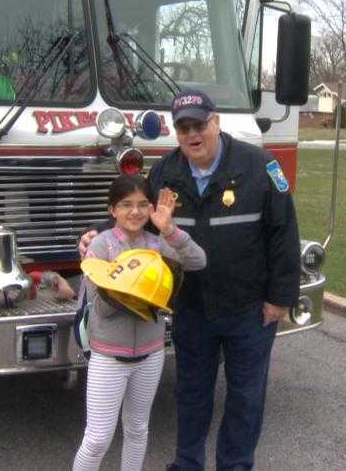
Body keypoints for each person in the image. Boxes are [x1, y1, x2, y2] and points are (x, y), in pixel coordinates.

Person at [78, 90, 301, 470]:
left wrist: (280, 299)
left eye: (200, 125)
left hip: (248, 308)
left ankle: (235, 466)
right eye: (184, 128)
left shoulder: (259, 167)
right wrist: (94, 233)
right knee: (191, 394)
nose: (192, 135)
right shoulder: (167, 172)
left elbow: (284, 235)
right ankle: (187, 464)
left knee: (246, 397)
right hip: (192, 308)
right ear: (176, 132)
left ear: (216, 123)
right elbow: (137, 213)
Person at [73, 174, 206, 471]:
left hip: (151, 353)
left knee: (137, 430)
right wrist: (132, 281)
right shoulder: (100, 247)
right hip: (108, 356)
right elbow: (103, 311)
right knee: (96, 439)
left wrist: (169, 229)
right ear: (112, 210)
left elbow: (198, 261)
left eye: (143, 205)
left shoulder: (157, 246)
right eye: (126, 205)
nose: (135, 212)